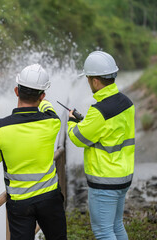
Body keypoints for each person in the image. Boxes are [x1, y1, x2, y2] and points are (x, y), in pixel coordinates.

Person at [0, 64, 67, 240]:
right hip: (50, 199)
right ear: (43, 95)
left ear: (16, 91)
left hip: (19, 203)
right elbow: (48, 108)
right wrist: (43, 102)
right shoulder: (52, 122)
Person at [68, 51, 135, 240]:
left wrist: (72, 122)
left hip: (105, 181)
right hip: (123, 176)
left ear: (96, 81)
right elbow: (108, 132)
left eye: (88, 78)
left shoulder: (99, 111)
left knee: (103, 232)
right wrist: (87, 122)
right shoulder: (127, 102)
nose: (88, 82)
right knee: (116, 226)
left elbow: (78, 138)